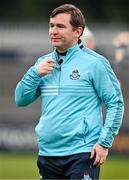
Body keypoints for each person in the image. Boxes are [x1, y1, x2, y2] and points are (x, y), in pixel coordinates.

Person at [15, 4, 124, 180]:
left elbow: (116, 103)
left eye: (60, 26)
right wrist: (34, 73)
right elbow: (20, 99)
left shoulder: (95, 63)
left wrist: (104, 143)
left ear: (77, 31)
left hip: (82, 154)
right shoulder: (42, 63)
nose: (53, 31)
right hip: (47, 154)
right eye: (51, 26)